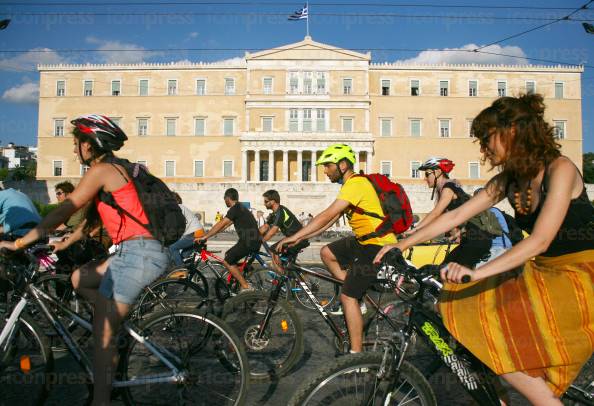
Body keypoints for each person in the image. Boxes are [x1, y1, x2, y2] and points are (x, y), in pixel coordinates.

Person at [374, 94, 594, 404]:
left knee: (502, 341)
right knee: (472, 315)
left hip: (582, 274)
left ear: (512, 132)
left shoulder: (561, 168)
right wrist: (403, 242)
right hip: (545, 270)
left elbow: (539, 240)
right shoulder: (509, 179)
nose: (483, 147)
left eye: (487, 137)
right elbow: (457, 215)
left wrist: (475, 272)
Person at [0, 114, 170, 405]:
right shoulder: (112, 170)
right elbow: (90, 222)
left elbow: (65, 209)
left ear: (90, 144)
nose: (74, 149)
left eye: (76, 143)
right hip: (132, 251)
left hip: (140, 253)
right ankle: (116, 326)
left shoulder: (103, 170)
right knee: (80, 278)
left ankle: (101, 399)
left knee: (101, 337)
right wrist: (62, 245)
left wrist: (19, 242)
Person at [277, 144, 396, 353]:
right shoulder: (349, 185)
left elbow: (326, 214)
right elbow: (330, 221)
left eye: (327, 165)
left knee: (347, 296)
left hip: (378, 245)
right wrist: (304, 238)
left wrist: (295, 235)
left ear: (342, 165)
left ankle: (357, 355)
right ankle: (358, 298)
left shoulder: (356, 183)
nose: (324, 170)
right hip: (363, 241)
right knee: (327, 253)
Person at [412, 157, 502, 268]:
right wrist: (455, 234)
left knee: (451, 272)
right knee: (444, 268)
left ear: (438, 172)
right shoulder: (447, 188)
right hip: (471, 238)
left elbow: (436, 213)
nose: (425, 178)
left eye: (427, 174)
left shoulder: (448, 187)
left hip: (478, 239)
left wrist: (416, 230)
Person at [198, 188, 260, 292]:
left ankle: (246, 286)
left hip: (248, 241)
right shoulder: (241, 208)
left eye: (224, 199)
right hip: (252, 240)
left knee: (227, 261)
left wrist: (205, 237)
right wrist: (211, 234)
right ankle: (239, 276)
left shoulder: (234, 209)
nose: (224, 201)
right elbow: (225, 226)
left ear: (228, 198)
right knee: (228, 254)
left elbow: (221, 223)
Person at [0, 186, 42, 303]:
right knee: (20, 265)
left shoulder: (1, 197)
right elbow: (8, 226)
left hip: (23, 234)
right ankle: (20, 293)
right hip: (39, 234)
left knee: (3, 252)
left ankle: (2, 297)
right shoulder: (18, 195)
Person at [259, 189, 309, 269]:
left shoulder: (280, 212)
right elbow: (265, 227)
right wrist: (252, 235)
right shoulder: (275, 214)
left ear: (272, 201)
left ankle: (281, 276)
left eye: (266, 201)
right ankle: (288, 276)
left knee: (273, 250)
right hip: (292, 238)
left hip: (298, 239)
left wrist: (260, 241)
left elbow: (273, 231)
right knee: (285, 263)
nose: (264, 203)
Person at [168, 192, 204, 266]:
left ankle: (181, 270)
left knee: (172, 248)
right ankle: (189, 273)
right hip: (197, 233)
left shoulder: (178, 207)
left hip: (194, 234)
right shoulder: (181, 208)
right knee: (183, 256)